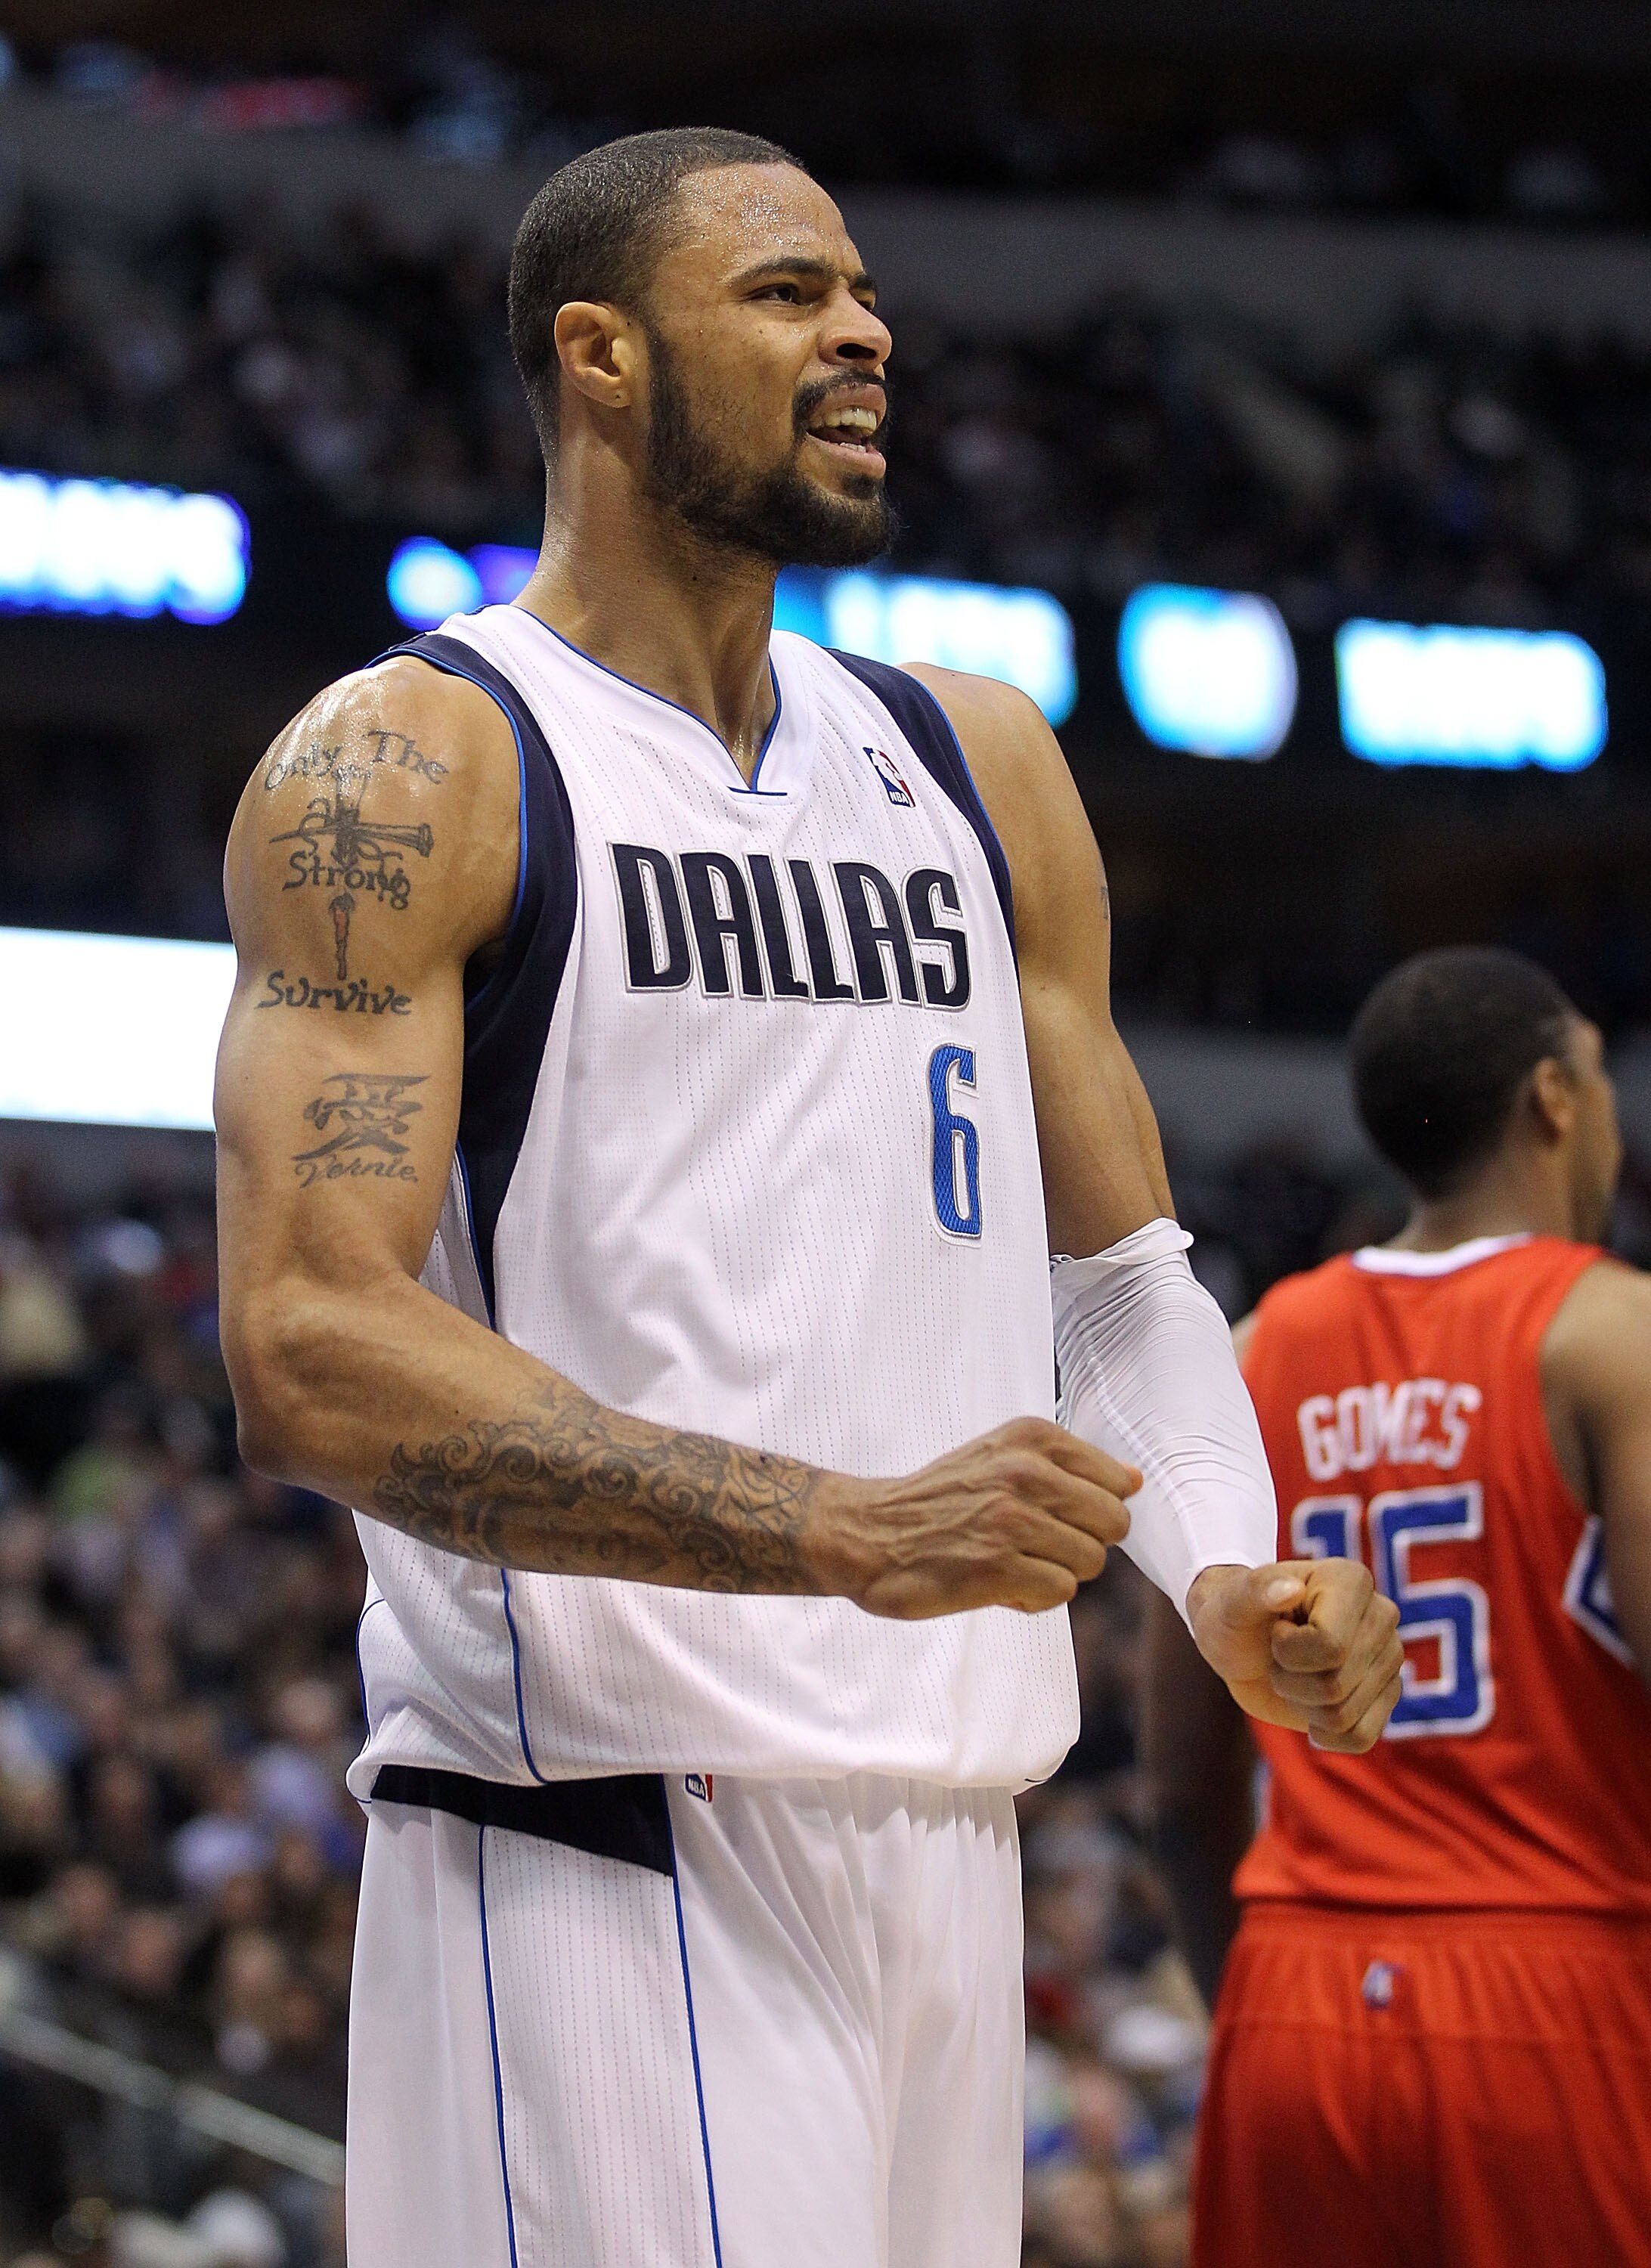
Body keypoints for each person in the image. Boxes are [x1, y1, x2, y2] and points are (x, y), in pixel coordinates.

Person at [214, 128, 1400, 2268]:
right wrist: (838, 1532)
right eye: (783, 292)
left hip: (948, 1849)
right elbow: (309, 1346)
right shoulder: (411, 765)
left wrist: (1227, 1584)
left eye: (860, 289)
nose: (863, 331)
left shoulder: (973, 763)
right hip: (595, 1839)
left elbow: (1122, 1284)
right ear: (599, 355)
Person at [1143, 947, 1651, 2268]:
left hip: (1296, 1997)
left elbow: (1181, 1792)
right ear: (1554, 1099)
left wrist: (1254, 2011)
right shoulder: (1613, 1337)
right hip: (1564, 1990)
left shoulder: (1253, 1349)